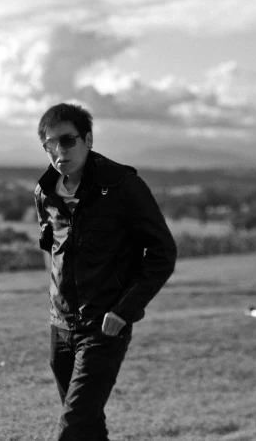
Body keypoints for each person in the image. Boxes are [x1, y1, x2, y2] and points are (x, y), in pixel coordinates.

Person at [34, 103, 177, 441]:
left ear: (88, 139)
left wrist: (124, 310)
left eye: (67, 141)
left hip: (104, 327)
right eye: (50, 144)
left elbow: (162, 252)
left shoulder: (122, 186)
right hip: (61, 327)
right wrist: (54, 302)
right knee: (88, 428)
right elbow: (52, 249)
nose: (59, 151)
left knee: (72, 430)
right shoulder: (45, 192)